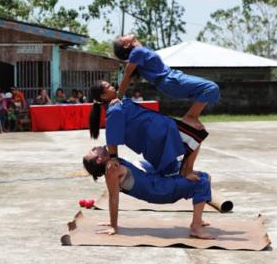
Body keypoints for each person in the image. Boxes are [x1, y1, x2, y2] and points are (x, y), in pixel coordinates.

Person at [83, 146, 214, 239]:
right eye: (93, 151)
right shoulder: (112, 170)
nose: (95, 147)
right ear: (99, 159)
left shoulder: (113, 160)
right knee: (201, 183)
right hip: (159, 190)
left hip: (156, 181)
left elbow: (113, 138)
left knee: (205, 176)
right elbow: (113, 198)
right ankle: (196, 227)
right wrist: (113, 225)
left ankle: (198, 218)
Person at [89, 80, 208, 179]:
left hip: (160, 130)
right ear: (103, 96)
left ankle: (184, 172)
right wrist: (114, 157)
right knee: (197, 135)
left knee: (174, 167)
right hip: (159, 132)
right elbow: (112, 136)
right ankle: (187, 171)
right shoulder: (114, 110)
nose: (112, 87)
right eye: (109, 87)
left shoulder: (118, 103)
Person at [114, 34, 219, 130]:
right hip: (170, 80)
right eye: (123, 36)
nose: (126, 34)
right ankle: (190, 117)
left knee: (208, 90)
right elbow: (127, 76)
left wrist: (135, 42)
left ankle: (191, 121)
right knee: (210, 87)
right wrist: (118, 97)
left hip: (172, 78)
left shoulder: (140, 50)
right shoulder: (136, 52)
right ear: (126, 45)